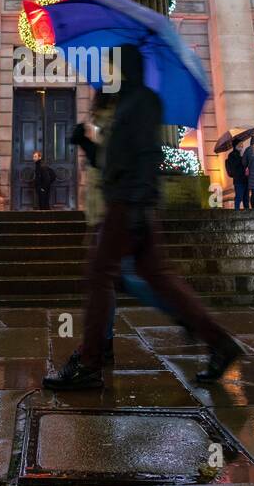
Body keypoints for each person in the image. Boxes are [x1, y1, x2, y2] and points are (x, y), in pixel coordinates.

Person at [45, 43, 241, 390]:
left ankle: (90, 363)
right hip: (130, 203)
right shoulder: (130, 104)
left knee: (98, 275)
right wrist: (88, 146)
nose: (110, 73)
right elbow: (114, 160)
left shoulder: (142, 103)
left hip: (127, 204)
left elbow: (146, 158)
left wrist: (133, 206)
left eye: (114, 66)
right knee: (159, 278)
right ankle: (220, 343)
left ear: (127, 68)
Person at [72, 90, 185, 360]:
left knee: (120, 277)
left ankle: (98, 347)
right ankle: (104, 340)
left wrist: (87, 146)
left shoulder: (121, 118)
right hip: (114, 210)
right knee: (119, 278)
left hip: (118, 210)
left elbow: (111, 165)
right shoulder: (112, 119)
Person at [225, 136, 250, 210]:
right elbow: (234, 165)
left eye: (242, 144)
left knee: (246, 197)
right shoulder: (232, 155)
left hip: (245, 179)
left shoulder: (241, 154)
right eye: (240, 144)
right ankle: (237, 211)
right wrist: (241, 158)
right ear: (235, 145)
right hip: (238, 180)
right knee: (239, 196)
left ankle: (247, 212)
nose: (241, 146)